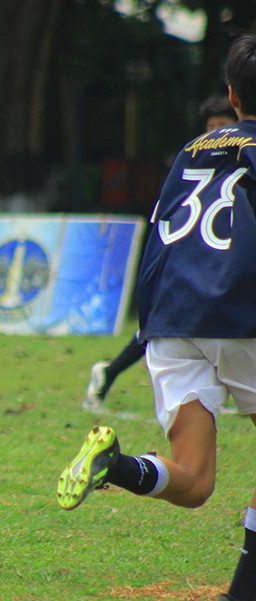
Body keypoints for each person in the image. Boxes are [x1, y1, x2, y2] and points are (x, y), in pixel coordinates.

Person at [57, 34, 256, 601]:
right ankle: (244, 595)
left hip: (171, 319)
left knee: (193, 480)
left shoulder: (191, 149)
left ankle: (114, 465)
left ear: (230, 94)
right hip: (238, 315)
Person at [83, 94, 237, 411]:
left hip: (221, 257)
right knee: (164, 326)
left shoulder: (240, 159)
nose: (216, 132)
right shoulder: (193, 160)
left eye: (223, 125)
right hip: (191, 256)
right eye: (211, 126)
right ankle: (109, 373)